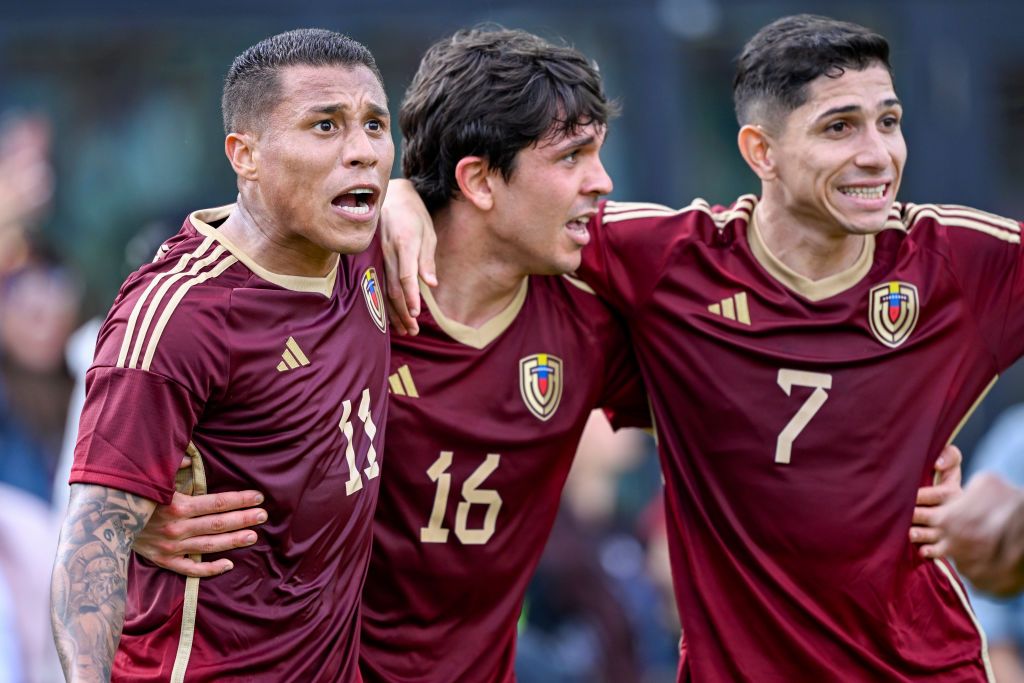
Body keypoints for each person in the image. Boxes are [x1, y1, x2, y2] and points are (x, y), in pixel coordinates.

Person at [136, 23, 965, 683]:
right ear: (480, 181)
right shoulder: (340, 284)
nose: (602, 182)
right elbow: (188, 340)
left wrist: (903, 445)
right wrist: (139, 516)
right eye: (572, 157)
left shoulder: (587, 323)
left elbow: (758, 406)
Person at [49, 27, 394, 681]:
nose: (363, 152)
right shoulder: (181, 315)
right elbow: (89, 546)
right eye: (325, 126)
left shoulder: (367, 248)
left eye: (375, 125)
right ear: (246, 154)